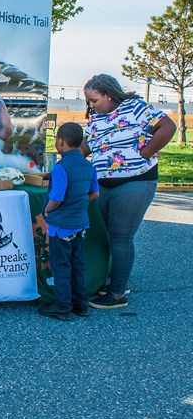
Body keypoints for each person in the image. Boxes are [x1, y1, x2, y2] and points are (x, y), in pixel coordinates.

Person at [81, 74, 176, 309]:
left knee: (121, 236)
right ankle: (115, 281)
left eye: (94, 100)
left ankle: (117, 294)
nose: (91, 105)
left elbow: (168, 126)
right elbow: (84, 148)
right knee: (105, 234)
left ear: (108, 95)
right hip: (103, 183)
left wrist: (146, 152)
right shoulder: (96, 119)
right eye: (88, 101)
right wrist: (63, 166)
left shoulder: (135, 108)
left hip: (135, 182)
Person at [38, 122, 99, 320]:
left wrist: (46, 211)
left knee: (61, 266)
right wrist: (78, 204)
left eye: (56, 139)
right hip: (80, 223)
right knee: (78, 264)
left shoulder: (60, 167)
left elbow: (56, 198)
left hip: (60, 227)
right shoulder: (87, 165)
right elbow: (94, 193)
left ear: (61, 142)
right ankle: (81, 304)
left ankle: (62, 305)